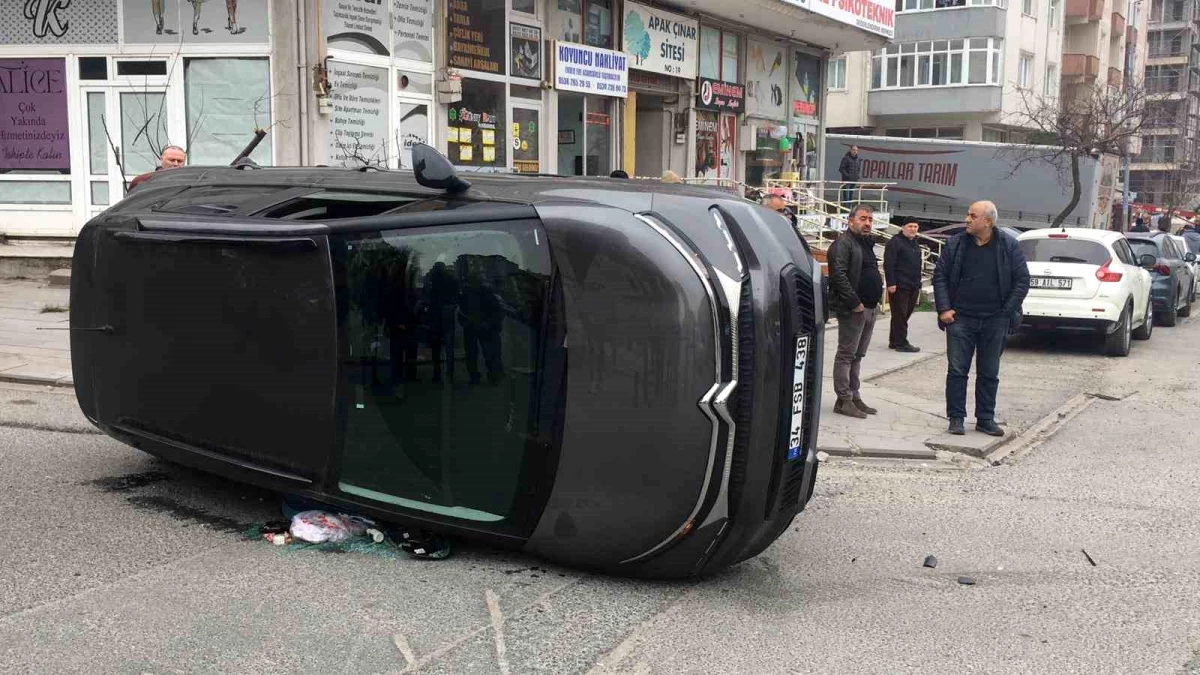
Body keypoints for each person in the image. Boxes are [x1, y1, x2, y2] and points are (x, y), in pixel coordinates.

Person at [932, 201, 1029, 437]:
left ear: (987, 221)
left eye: (972, 215)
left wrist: (1006, 312)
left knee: (989, 372)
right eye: (968, 214)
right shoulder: (955, 244)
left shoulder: (1009, 246)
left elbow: (1022, 281)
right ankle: (956, 418)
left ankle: (985, 418)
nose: (966, 219)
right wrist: (944, 309)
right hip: (961, 319)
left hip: (995, 320)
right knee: (957, 371)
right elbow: (940, 276)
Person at [827, 204, 882, 419]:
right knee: (846, 355)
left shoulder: (865, 243)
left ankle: (854, 396)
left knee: (858, 355)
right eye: (863, 218)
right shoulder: (843, 243)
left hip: (870, 308)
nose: (867, 223)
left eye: (870, 219)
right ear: (850, 221)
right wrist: (854, 303)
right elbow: (838, 275)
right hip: (854, 309)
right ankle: (844, 399)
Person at [884, 221, 923, 353]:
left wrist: (919, 282)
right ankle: (901, 343)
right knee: (900, 314)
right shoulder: (895, 242)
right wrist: (891, 283)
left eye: (915, 227)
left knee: (904, 314)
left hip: (913, 284)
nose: (913, 229)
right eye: (910, 226)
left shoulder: (915, 243)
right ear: (903, 227)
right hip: (900, 285)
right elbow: (889, 263)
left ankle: (894, 340)